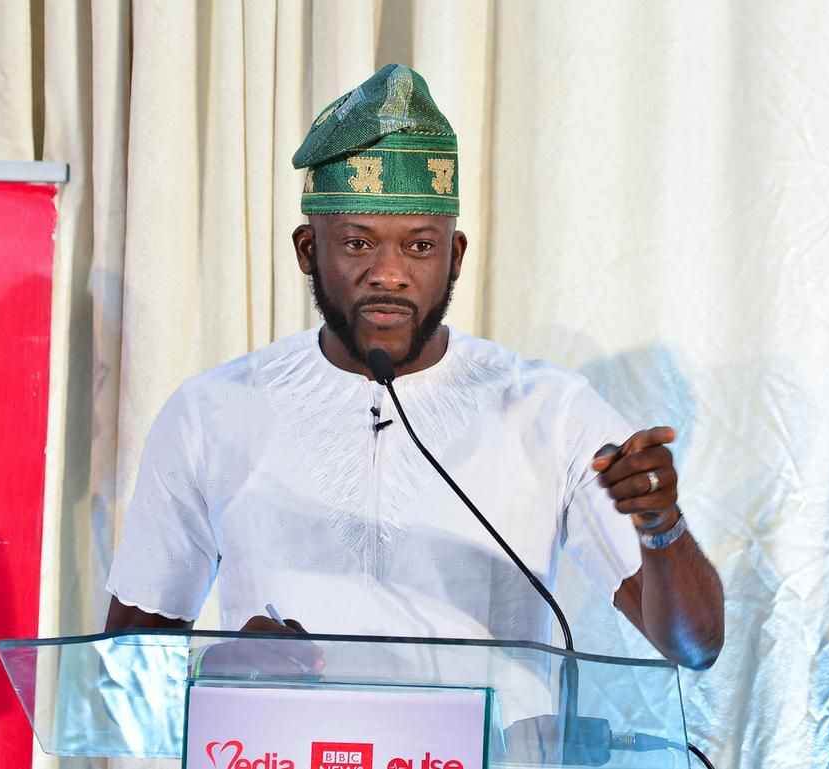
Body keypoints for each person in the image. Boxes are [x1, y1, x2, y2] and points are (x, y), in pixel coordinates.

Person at [104, 64, 724, 671]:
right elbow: (119, 679)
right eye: (357, 242)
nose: (390, 272)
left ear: (455, 256)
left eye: (420, 246)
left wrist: (660, 524)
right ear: (306, 250)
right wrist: (217, 666)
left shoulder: (550, 411)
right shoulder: (212, 411)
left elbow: (694, 647)